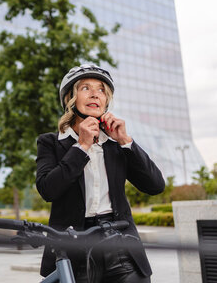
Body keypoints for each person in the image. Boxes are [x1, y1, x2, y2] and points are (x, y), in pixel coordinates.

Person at [36, 64, 165, 283]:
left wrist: (126, 141)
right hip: (74, 249)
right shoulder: (50, 142)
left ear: (106, 100)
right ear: (70, 98)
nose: (95, 93)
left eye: (101, 89)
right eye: (85, 88)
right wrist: (82, 146)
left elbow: (155, 185)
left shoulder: (115, 143)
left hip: (121, 245)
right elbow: (48, 189)